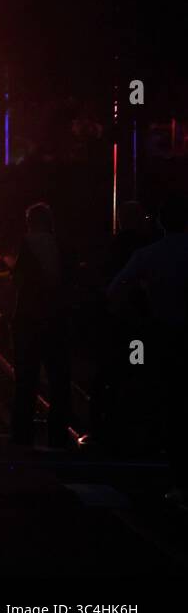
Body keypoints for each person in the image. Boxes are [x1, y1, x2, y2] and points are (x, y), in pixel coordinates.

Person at [107, 193, 188, 507]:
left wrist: (133, 316)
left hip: (161, 334)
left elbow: (114, 291)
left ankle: (172, 469)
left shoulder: (148, 255)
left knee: (167, 401)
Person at [7, 202, 72, 450]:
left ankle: (22, 433)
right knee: (59, 379)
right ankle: (58, 434)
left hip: (27, 320)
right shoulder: (62, 246)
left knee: (26, 379)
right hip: (56, 319)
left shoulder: (26, 244)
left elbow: (18, 280)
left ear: (30, 222)